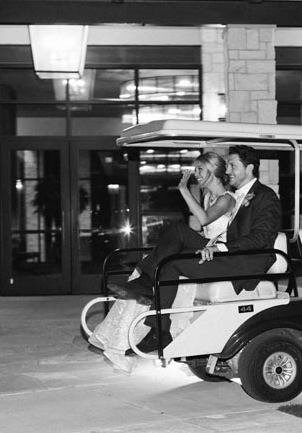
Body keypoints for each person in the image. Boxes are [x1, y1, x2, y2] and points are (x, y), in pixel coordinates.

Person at [110, 145, 281, 352]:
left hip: (243, 263)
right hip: (228, 256)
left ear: (250, 168)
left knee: (179, 231)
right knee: (169, 264)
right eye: (226, 166)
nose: (227, 171)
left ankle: (147, 283)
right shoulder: (237, 195)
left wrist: (221, 248)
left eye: (233, 166)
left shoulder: (265, 196)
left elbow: (261, 237)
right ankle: (160, 332)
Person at [89, 151, 235, 372]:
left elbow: (204, 220)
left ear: (214, 171)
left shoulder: (227, 198)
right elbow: (200, 227)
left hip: (218, 252)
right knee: (170, 247)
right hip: (205, 247)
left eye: (200, 170)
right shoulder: (208, 197)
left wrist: (184, 190)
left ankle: (148, 282)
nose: (196, 174)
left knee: (178, 228)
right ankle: (158, 325)